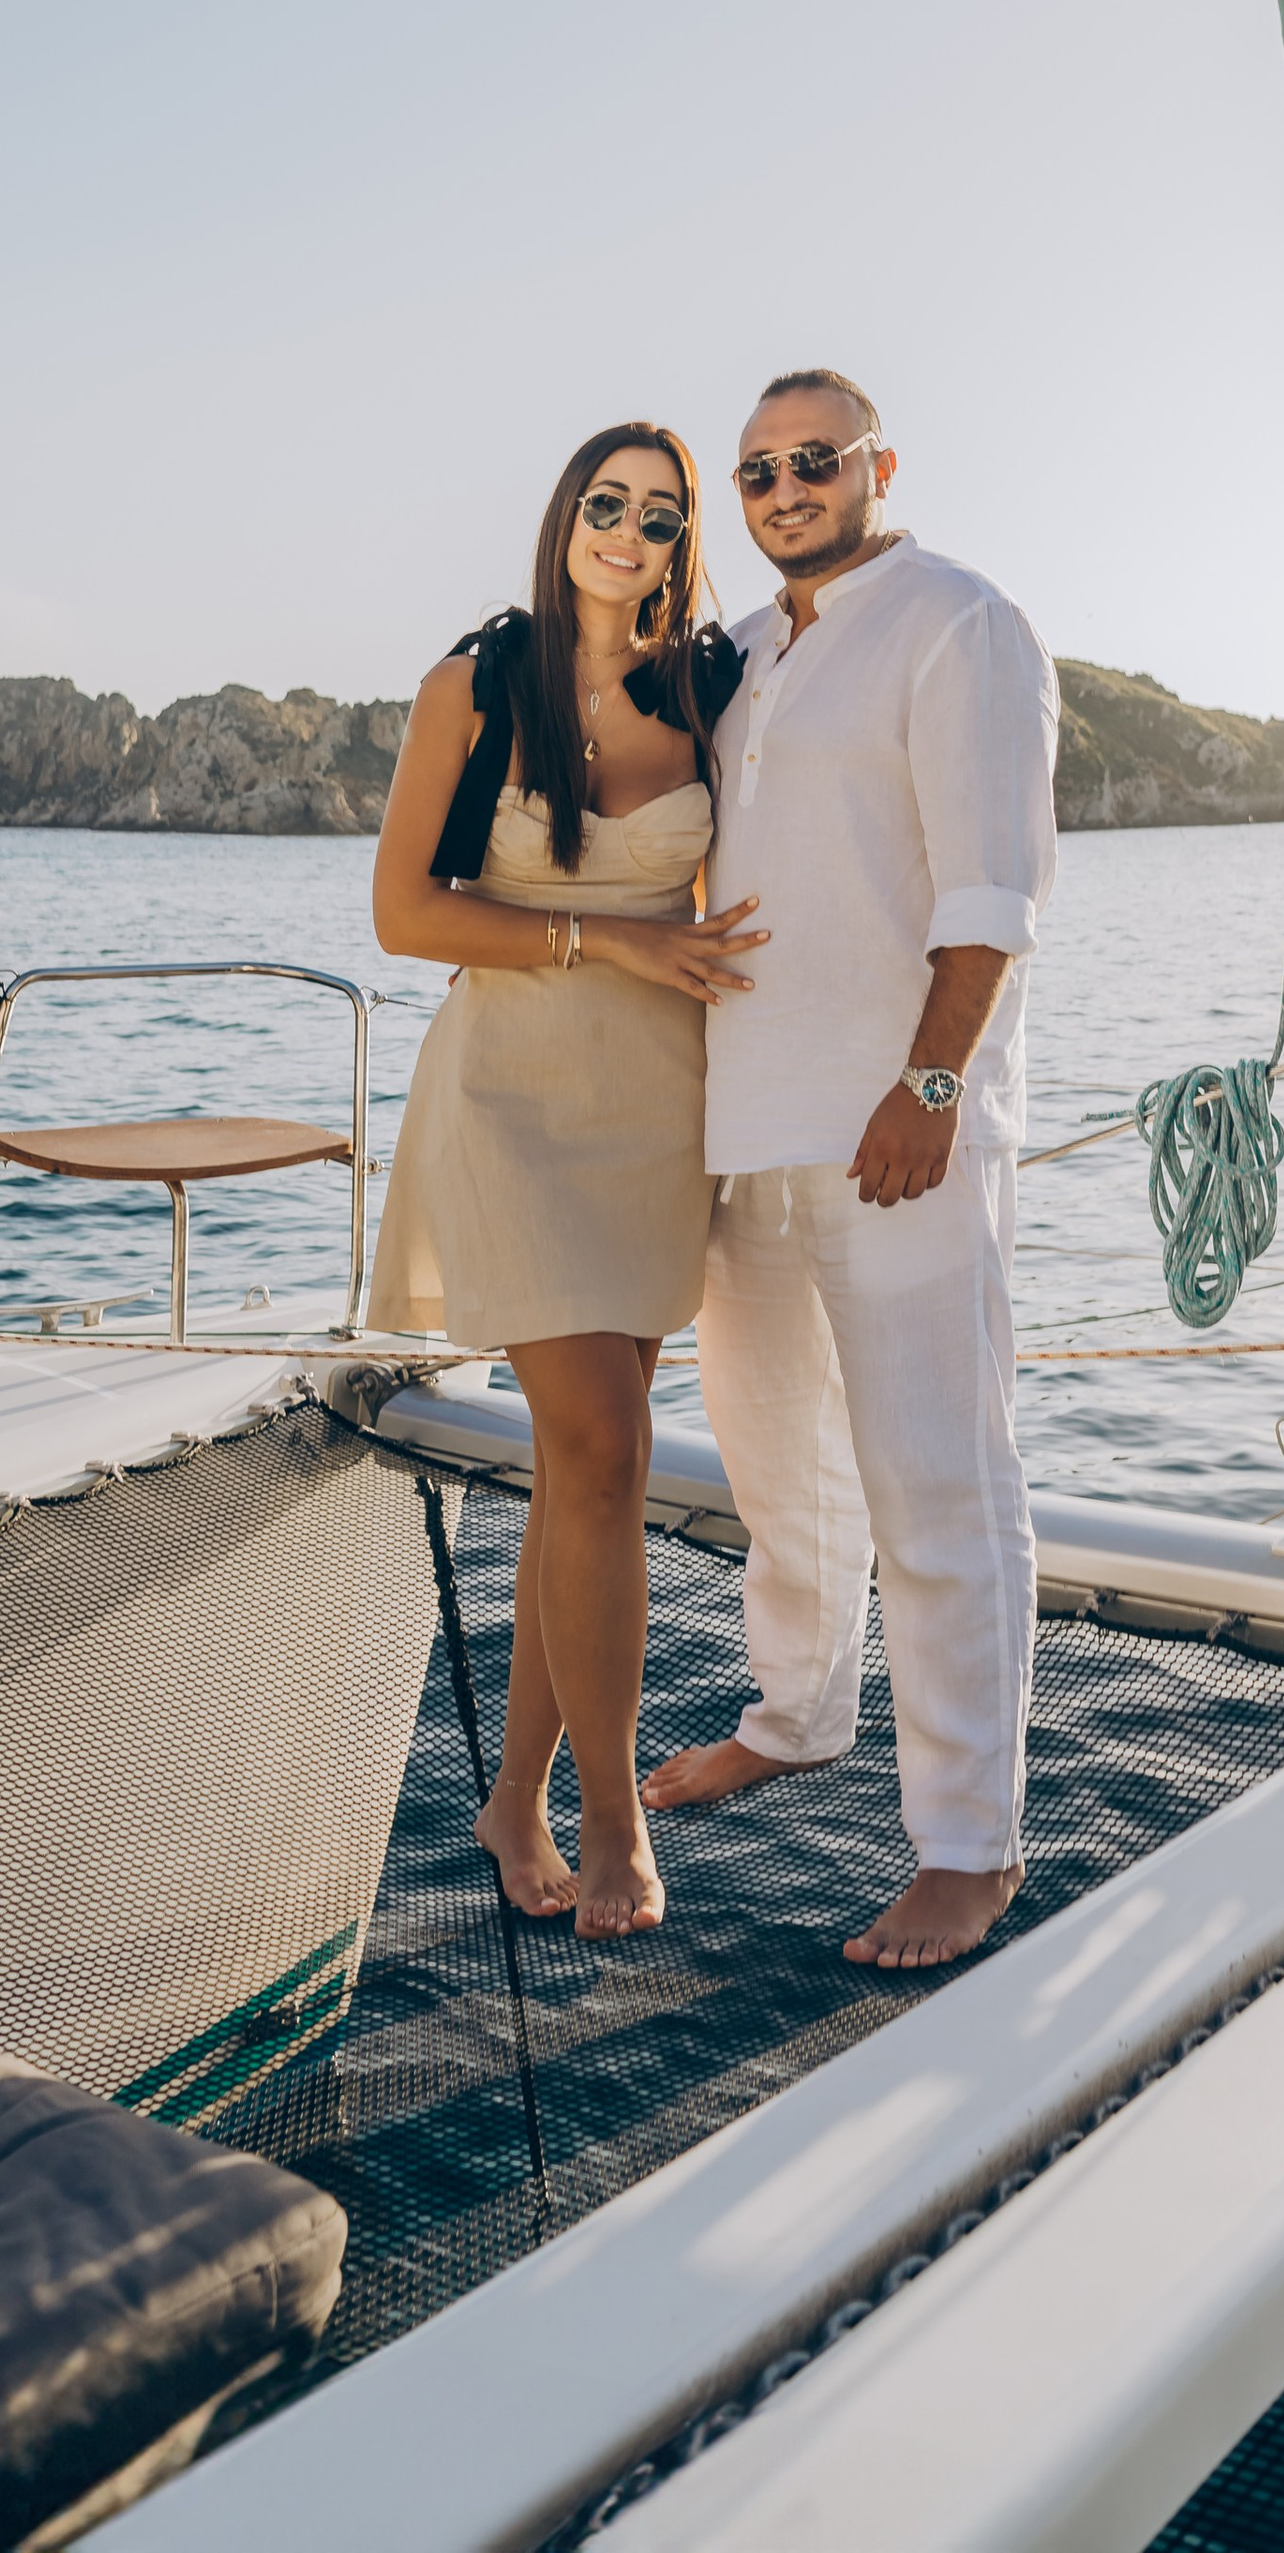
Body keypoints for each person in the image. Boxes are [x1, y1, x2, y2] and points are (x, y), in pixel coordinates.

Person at [640, 373, 1059, 1970]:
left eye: (815, 461)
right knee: (777, 1471)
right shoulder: (743, 653)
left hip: (903, 1128)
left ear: (877, 465)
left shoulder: (960, 623)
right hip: (746, 1126)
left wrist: (933, 1083)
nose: (784, 487)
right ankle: (801, 1715)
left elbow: (992, 887)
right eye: (758, 470)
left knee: (939, 1486)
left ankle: (969, 1843)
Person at [370, 423, 759, 1939]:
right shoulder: (476, 682)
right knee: (599, 1441)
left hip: (662, 1106)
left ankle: (513, 1795)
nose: (629, 532)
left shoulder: (714, 692)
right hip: (512, 1100)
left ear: (679, 545)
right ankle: (612, 1823)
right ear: (566, 518)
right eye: (607, 504)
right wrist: (614, 939)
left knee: (578, 1470)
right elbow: (406, 912)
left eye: (659, 517)